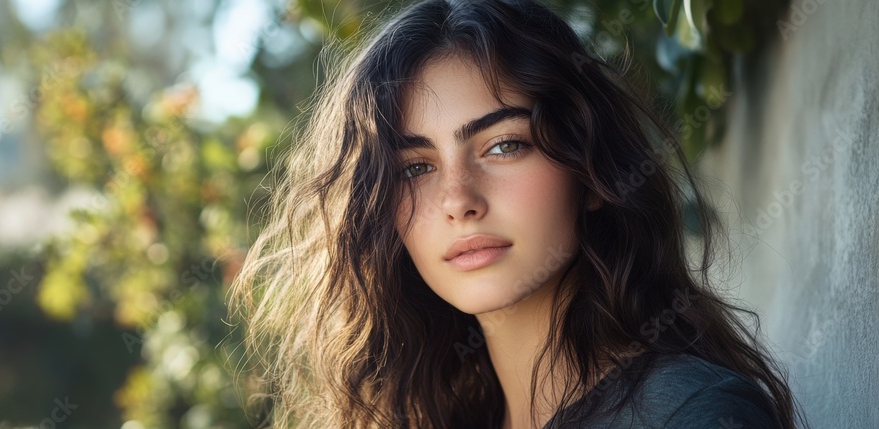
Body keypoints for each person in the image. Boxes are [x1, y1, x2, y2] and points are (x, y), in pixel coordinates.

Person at [228, 0, 806, 428]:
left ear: (592, 173)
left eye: (503, 146)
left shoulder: (689, 413)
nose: (460, 200)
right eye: (415, 168)